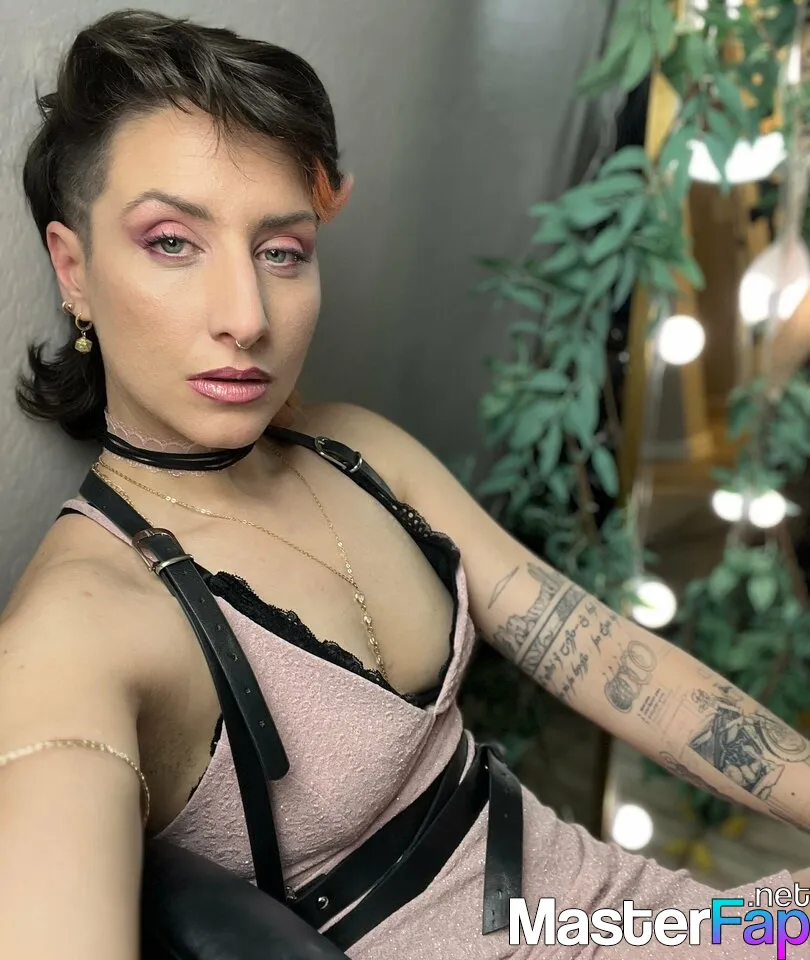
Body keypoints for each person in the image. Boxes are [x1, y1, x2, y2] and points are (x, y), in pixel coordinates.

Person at [1, 10, 809, 959]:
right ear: (73, 268)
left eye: (282, 250)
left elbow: (611, 663)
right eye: (173, 242)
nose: (247, 317)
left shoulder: (356, 449)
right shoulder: (77, 631)